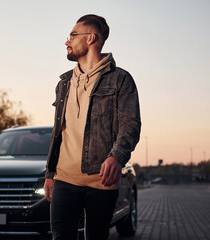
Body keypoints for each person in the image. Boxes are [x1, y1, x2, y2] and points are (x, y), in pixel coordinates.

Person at [44, 14, 141, 240]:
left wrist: (116, 157)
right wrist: (50, 173)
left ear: (91, 38)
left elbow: (130, 124)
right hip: (64, 181)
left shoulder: (120, 80)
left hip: (101, 182)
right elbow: (58, 132)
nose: (67, 41)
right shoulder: (64, 83)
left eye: (73, 35)